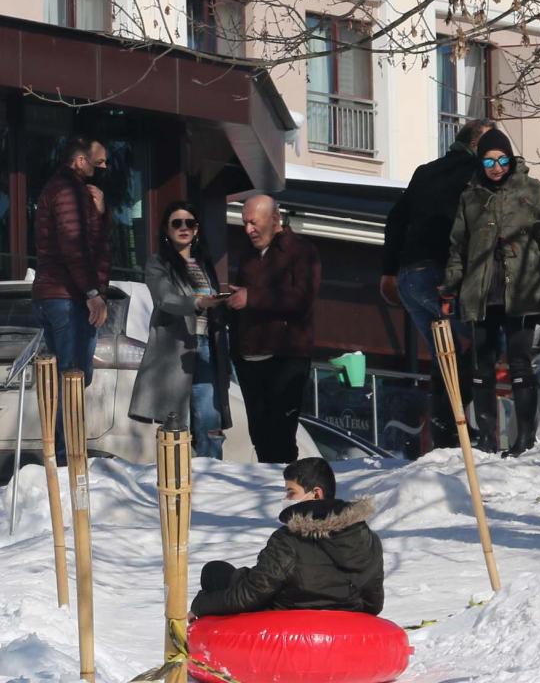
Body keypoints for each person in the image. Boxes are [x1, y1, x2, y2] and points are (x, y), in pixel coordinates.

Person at [440, 128, 540, 458]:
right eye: (488, 160)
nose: (496, 167)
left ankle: (523, 438)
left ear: (510, 159)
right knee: (482, 366)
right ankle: (486, 438)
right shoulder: (471, 196)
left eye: (501, 159)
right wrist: (450, 288)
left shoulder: (532, 191)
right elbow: (458, 246)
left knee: (520, 364)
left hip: (523, 292)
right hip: (481, 292)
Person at [380, 119, 493, 452]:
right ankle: (464, 425)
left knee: (445, 354)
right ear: (476, 145)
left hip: (410, 276)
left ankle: (446, 430)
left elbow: (396, 219)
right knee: (486, 338)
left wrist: (389, 271)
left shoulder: (426, 171)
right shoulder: (477, 173)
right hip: (442, 274)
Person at [190, 458, 384, 618]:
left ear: (316, 494)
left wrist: (201, 605)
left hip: (286, 626)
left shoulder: (288, 540)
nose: (287, 500)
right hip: (347, 628)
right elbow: (373, 603)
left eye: (291, 492)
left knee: (214, 573)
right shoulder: (368, 540)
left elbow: (251, 595)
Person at [129, 202, 233, 458]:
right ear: (166, 229)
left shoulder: (204, 265)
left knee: (210, 420)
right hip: (175, 350)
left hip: (207, 347)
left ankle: (211, 480)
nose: (184, 228)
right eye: (177, 223)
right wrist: (197, 302)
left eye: (190, 223)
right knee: (175, 425)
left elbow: (213, 306)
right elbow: (165, 298)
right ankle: (177, 483)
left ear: (197, 230)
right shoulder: (158, 263)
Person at [32, 137, 112, 462]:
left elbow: (91, 242)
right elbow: (74, 245)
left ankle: (63, 452)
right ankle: (67, 457)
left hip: (57, 295)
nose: (103, 168)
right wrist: (93, 293)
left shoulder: (69, 191)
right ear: (80, 161)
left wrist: (101, 212)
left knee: (70, 377)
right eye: (99, 162)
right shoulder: (68, 190)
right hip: (67, 297)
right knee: (73, 378)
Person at [229, 195, 321, 464]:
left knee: (281, 434)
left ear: (275, 219)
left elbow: (302, 299)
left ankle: (285, 490)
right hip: (248, 355)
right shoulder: (247, 255)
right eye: (245, 223)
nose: (249, 230)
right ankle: (270, 487)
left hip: (286, 354)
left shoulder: (301, 251)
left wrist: (252, 297)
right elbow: (246, 296)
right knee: (259, 434)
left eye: (254, 223)